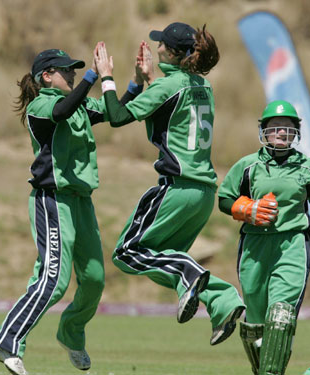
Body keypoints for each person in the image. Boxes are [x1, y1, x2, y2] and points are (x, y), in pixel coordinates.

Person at [0, 45, 148, 375]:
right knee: (53, 280)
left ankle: (71, 332)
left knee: (93, 279)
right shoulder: (41, 106)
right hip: (52, 200)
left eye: (75, 70)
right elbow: (61, 111)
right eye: (66, 70)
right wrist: (93, 75)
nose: (72, 74)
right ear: (46, 76)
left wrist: (134, 82)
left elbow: (112, 111)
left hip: (80, 201)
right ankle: (8, 340)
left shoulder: (76, 104)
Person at [94, 21, 246, 345]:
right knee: (168, 259)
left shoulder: (168, 86)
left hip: (178, 188)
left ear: (174, 53)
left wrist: (107, 76)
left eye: (161, 44)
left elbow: (118, 117)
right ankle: (224, 300)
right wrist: (147, 79)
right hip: (203, 194)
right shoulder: (203, 86)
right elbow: (173, 109)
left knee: (127, 251)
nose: (157, 47)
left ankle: (192, 277)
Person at [217, 100, 310, 375]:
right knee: (256, 324)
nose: (282, 133)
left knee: (281, 316)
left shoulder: (307, 167)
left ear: (296, 133)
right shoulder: (247, 166)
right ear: (264, 131)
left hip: (292, 243)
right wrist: (246, 209)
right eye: (276, 127)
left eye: (289, 128)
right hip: (254, 247)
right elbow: (224, 199)